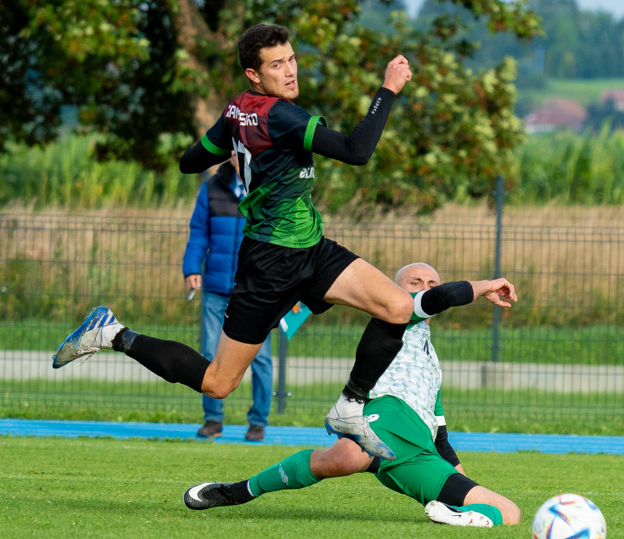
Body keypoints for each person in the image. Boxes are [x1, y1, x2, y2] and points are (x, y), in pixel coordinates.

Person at [52, 23, 414, 460]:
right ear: (254, 74)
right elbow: (357, 150)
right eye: (276, 65)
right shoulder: (282, 116)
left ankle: (350, 406)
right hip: (270, 261)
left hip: (311, 249)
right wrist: (388, 89)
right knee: (219, 383)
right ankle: (113, 333)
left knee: (396, 306)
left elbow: (190, 161)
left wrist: (241, 139)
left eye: (292, 59)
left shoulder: (238, 111)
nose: (290, 71)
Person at [182, 263, 521, 527]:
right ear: (396, 290)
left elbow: (441, 437)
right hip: (387, 416)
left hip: (418, 449)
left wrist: (460, 487)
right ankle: (237, 491)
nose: (425, 288)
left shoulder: (432, 363)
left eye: (431, 282)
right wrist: (487, 285)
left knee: (508, 512)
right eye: (415, 282)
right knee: (345, 458)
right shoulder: (398, 316)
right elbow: (443, 297)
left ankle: (457, 516)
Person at [183, 155, 272, 441]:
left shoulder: (270, 187)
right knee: (210, 351)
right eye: (234, 149)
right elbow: (198, 232)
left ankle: (258, 422)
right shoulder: (211, 187)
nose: (239, 154)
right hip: (215, 287)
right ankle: (213, 420)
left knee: (260, 358)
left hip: (256, 291)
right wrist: (192, 268)